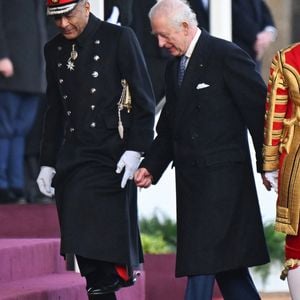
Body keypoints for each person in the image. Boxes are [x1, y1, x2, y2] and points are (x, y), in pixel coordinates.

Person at [134, 0, 270, 299]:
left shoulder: (226, 55)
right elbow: (170, 127)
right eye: (156, 36)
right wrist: (151, 166)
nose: (160, 42)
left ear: (185, 26)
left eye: (164, 35)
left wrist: (268, 163)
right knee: (227, 268)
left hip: (225, 185)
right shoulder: (173, 69)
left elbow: (260, 112)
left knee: (202, 261)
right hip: (192, 186)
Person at [37, 1, 155, 299]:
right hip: (75, 156)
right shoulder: (53, 49)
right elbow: (54, 109)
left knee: (107, 255)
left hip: (112, 155)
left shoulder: (119, 38)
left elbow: (144, 100)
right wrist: (47, 161)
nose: (63, 24)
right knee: (84, 245)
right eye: (56, 19)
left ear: (87, 7)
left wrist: (136, 149)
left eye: (68, 15)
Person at [263, 42, 300, 300]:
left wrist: (270, 165)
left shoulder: (288, 57)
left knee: (298, 244)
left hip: (296, 162)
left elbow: (275, 115)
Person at [0, 0, 47, 204]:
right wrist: (2, 55)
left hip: (33, 75)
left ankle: (15, 184)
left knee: (20, 130)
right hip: (10, 72)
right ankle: (3, 184)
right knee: (5, 129)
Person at [188, 0, 277, 69]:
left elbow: (263, 9)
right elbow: (236, 16)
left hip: (253, 57)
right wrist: (256, 38)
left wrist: (269, 32)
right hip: (233, 54)